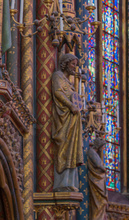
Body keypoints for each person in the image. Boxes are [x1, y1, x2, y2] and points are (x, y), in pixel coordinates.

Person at [52, 53, 83, 191]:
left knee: (72, 149)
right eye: (72, 64)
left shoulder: (69, 82)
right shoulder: (58, 76)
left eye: (75, 65)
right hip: (64, 119)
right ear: (65, 63)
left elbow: (75, 98)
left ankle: (70, 182)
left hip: (73, 120)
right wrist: (71, 106)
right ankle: (62, 183)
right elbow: (58, 92)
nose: (74, 68)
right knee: (64, 146)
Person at [87, 137, 108, 220]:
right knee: (99, 202)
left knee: (102, 202)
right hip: (96, 180)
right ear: (98, 146)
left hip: (99, 180)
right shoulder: (91, 152)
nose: (102, 149)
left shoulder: (94, 153)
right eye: (102, 146)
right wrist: (104, 169)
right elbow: (98, 165)